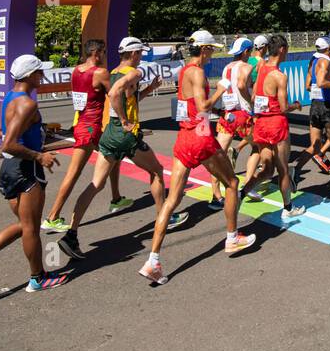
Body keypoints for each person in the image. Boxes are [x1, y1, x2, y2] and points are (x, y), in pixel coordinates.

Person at [139, 31, 256, 285]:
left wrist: (217, 109)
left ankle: (153, 260)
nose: (212, 53)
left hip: (185, 136)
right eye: (211, 49)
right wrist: (220, 91)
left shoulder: (184, 71)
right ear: (203, 50)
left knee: (172, 200)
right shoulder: (199, 72)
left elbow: (192, 105)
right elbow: (202, 106)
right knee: (233, 184)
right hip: (201, 136)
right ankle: (232, 237)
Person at [56, 37, 185, 260]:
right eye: (141, 53)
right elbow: (115, 94)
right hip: (126, 134)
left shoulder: (114, 71)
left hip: (110, 134)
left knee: (96, 183)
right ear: (133, 54)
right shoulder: (134, 73)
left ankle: (71, 233)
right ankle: (164, 216)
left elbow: (127, 98)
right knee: (156, 171)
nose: (142, 57)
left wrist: (147, 91)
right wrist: (126, 121)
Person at [0, 55, 67, 295]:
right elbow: (8, 143)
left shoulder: (11, 97)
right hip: (25, 168)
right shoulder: (28, 104)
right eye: (39, 72)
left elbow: (1, 130)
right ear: (29, 75)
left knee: (24, 224)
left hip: (9, 170)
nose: (43, 76)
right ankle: (37, 278)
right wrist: (40, 156)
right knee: (31, 228)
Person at [42, 38, 127, 233]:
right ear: (96, 53)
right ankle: (52, 216)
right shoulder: (100, 72)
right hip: (90, 128)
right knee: (73, 174)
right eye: (104, 52)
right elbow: (113, 95)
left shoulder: (77, 70)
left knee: (114, 154)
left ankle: (116, 197)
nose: (105, 56)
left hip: (82, 123)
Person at [239, 35, 306, 218]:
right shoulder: (279, 76)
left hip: (261, 123)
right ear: (282, 50)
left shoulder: (260, 69)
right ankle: (288, 208)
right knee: (282, 168)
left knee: (267, 170)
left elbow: (253, 98)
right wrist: (296, 105)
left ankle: (241, 194)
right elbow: (284, 107)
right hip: (276, 123)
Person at [292, 37, 330, 189]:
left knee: (316, 145)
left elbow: (309, 85)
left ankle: (296, 169)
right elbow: (321, 83)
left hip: (315, 105)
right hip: (326, 107)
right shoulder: (325, 62)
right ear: (329, 49)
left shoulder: (313, 60)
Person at [209, 37, 256, 211]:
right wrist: (249, 102)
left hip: (227, 114)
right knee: (258, 148)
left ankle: (215, 196)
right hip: (243, 113)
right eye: (249, 51)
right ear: (245, 52)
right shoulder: (246, 66)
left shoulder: (226, 68)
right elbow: (243, 84)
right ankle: (248, 186)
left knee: (218, 154)